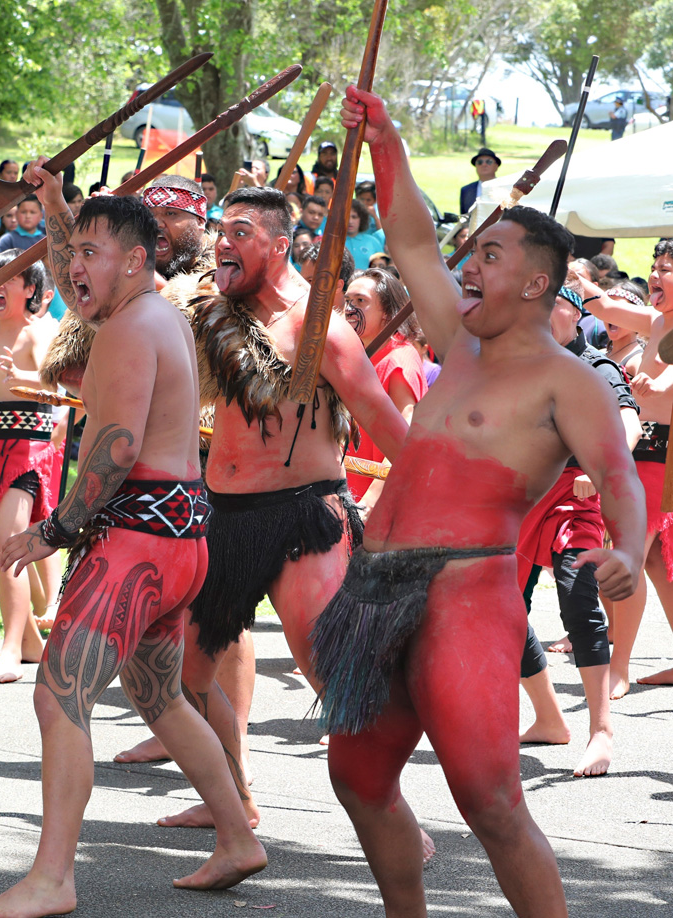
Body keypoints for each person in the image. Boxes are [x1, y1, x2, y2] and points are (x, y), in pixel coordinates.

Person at [311, 86, 645, 918]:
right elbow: (412, 239)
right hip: (375, 585)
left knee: (489, 798)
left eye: (491, 254)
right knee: (356, 776)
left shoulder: (570, 382)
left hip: (467, 590)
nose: (471, 263)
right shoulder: (458, 337)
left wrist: (629, 550)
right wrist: (385, 138)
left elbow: (619, 476)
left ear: (537, 281)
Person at [0, 169, 268, 918]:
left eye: (94, 253)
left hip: (135, 539)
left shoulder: (133, 327)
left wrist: (56, 526)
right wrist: (58, 209)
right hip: (175, 536)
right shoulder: (148, 310)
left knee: (58, 696)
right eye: (74, 253)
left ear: (135, 260)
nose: (75, 267)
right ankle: (237, 836)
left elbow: (114, 442)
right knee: (159, 696)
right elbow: (83, 268)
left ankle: (52, 878)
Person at [113, 185, 411, 839]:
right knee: (188, 674)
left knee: (338, 683)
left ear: (280, 245)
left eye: (240, 230)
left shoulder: (320, 328)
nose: (224, 240)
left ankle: (396, 821)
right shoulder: (211, 316)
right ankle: (236, 801)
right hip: (222, 518)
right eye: (222, 228)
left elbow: (394, 434)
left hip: (304, 517)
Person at [518, 278, 642, 778]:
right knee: (501, 606)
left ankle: (601, 730)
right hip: (523, 495)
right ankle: (549, 717)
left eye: (551, 306)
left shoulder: (597, 365)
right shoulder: (521, 361)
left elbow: (629, 422)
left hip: (575, 496)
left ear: (573, 313)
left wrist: (604, 465)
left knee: (577, 596)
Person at [573, 245, 673, 696]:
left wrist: (657, 384)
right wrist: (573, 276)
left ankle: (620, 666)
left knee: (629, 555)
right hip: (645, 453)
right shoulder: (657, 322)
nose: (655, 275)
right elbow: (606, 305)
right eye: (653, 268)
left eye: (665, 270)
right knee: (652, 562)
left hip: (659, 455)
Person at [0, 250, 59, 684]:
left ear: (30, 290)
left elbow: (53, 380)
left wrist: (25, 380)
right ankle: (27, 640)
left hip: (27, 449)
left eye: (8, 278)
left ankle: (10, 652)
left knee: (7, 540)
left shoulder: (38, 331)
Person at [343, 267, 427, 513]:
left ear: (388, 313)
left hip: (375, 508)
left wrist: (368, 504)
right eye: (348, 300)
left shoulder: (400, 360)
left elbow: (406, 438)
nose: (350, 309)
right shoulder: (357, 356)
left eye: (361, 301)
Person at [345, 198, 385, 269]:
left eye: (354, 217)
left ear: (362, 219)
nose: (350, 221)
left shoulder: (373, 242)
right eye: (347, 217)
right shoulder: (334, 242)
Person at [459, 146, 500, 214]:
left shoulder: (507, 188)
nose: (484, 164)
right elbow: (464, 217)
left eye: (489, 162)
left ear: (496, 166)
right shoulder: (466, 191)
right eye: (480, 162)